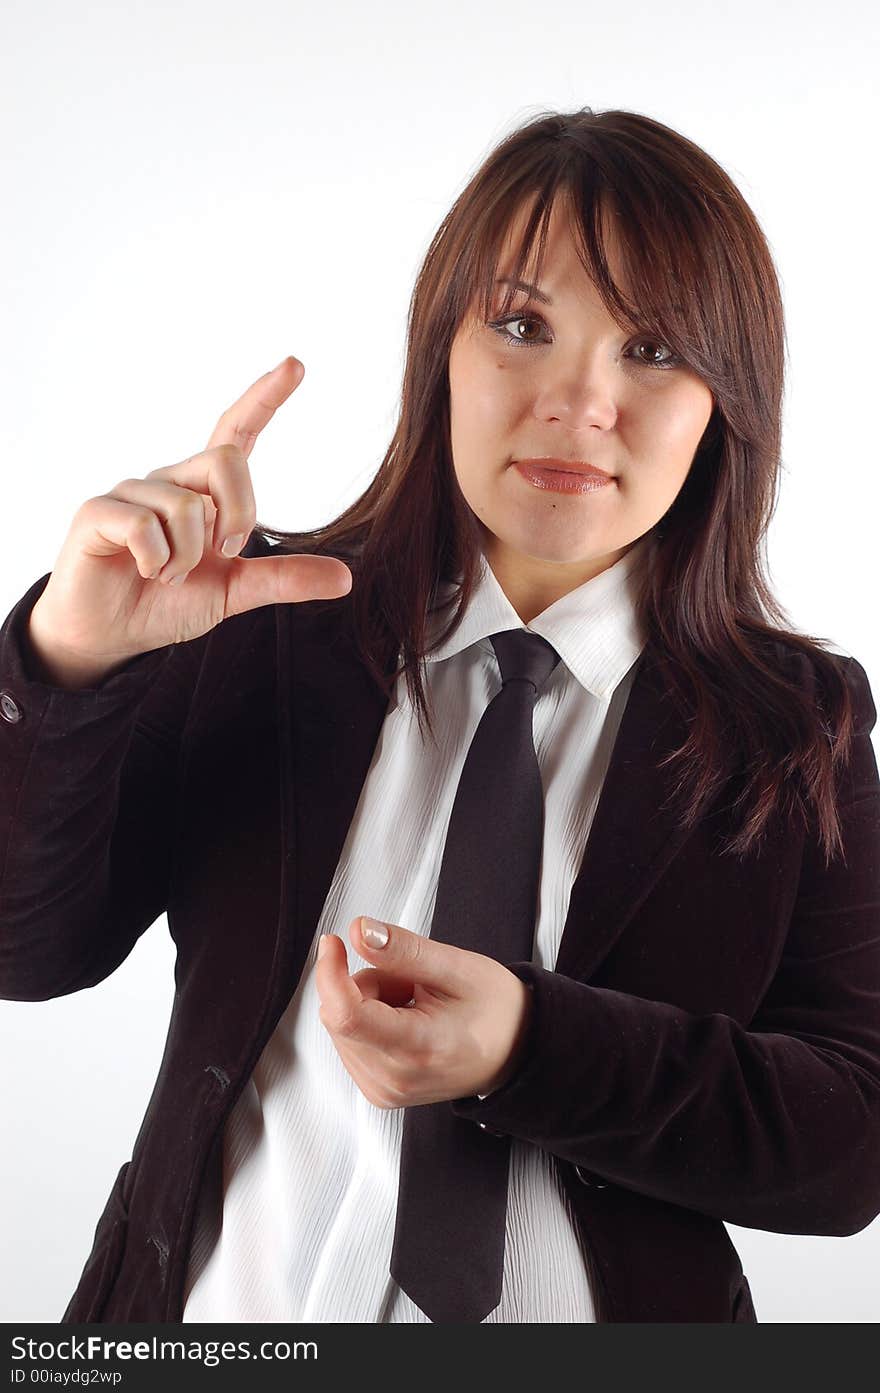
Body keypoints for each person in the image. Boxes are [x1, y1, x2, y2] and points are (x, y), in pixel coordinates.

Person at [1, 106, 878, 1326]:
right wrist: (70, 665)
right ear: (441, 354)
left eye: (656, 349)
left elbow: (849, 1142)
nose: (580, 402)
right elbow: (25, 950)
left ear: (724, 404)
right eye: (522, 326)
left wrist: (533, 1046)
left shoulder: (798, 723)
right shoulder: (256, 624)